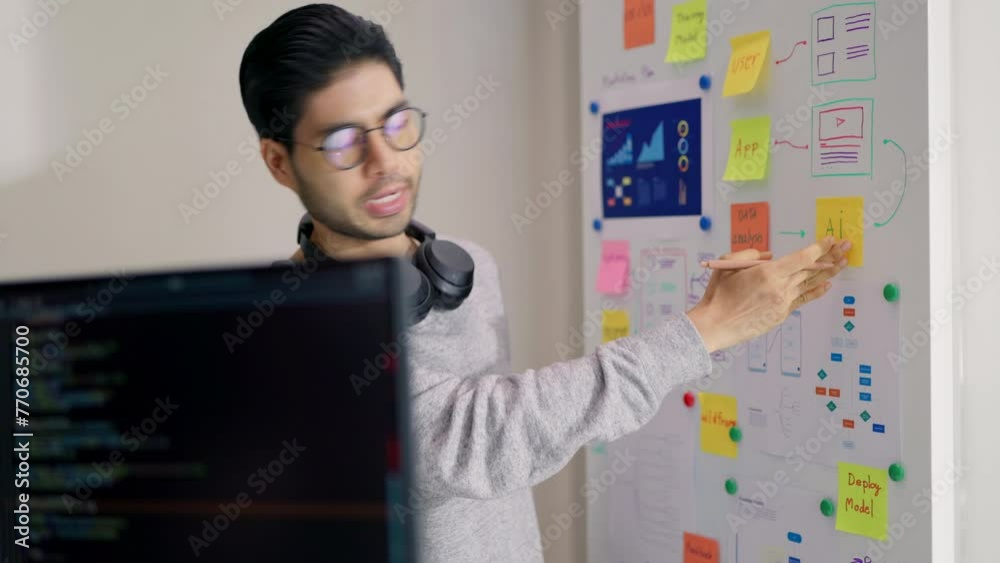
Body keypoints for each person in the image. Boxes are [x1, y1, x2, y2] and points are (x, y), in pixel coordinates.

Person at [238, 4, 850, 562]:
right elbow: (482, 436)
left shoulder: (464, 267)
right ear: (278, 161)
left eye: (395, 123)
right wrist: (709, 327)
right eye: (344, 142)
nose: (386, 161)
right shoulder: (281, 330)